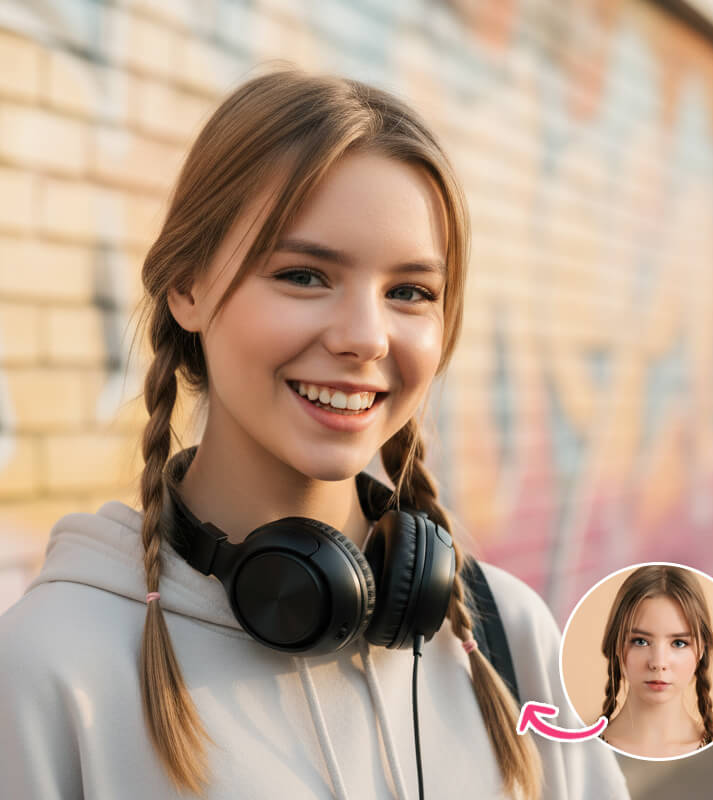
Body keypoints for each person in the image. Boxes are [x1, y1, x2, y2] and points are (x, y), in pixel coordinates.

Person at [0, 68, 629, 799]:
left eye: (410, 292)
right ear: (188, 287)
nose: (366, 337)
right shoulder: (51, 668)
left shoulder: (505, 635)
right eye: (303, 275)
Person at [599, 565, 713, 758]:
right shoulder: (579, 751)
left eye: (679, 643)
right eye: (641, 641)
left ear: (701, 650)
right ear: (617, 645)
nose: (658, 663)